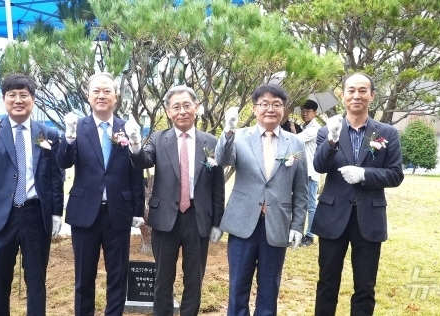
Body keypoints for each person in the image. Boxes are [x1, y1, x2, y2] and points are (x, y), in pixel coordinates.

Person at [126, 85, 225, 316]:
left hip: (197, 219)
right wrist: (135, 144)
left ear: (197, 108)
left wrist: (218, 222)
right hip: (165, 220)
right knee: (163, 279)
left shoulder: (211, 142)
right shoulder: (159, 139)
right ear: (168, 111)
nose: (182, 111)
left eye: (187, 105)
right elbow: (144, 161)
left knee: (194, 279)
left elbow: (217, 187)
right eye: (176, 107)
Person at [0, 73, 64, 316]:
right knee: (0, 281)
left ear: (33, 99)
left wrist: (56, 212)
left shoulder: (48, 134)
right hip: (0, 218)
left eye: (24, 95)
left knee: (36, 281)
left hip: (35, 215)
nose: (18, 100)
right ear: (4, 99)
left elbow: (55, 177)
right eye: (12, 95)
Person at [312, 73, 404, 315]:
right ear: (342, 95)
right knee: (327, 283)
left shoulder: (387, 132)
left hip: (369, 217)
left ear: (372, 96)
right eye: (351, 90)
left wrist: (365, 174)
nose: (356, 96)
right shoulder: (327, 130)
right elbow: (319, 166)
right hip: (333, 216)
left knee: (365, 285)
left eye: (363, 91)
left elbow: (395, 174)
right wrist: (331, 141)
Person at [56, 72, 145, 316]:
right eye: (96, 91)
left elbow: (136, 171)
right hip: (85, 214)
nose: (101, 95)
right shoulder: (78, 127)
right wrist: (69, 137)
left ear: (116, 96)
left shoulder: (127, 128)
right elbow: (63, 162)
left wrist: (138, 209)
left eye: (107, 91)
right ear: (88, 96)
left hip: (118, 212)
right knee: (84, 277)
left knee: (117, 276)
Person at [215, 83, 308, 315]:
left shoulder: (294, 143)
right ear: (255, 109)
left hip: (276, 224)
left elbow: (301, 188)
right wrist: (227, 131)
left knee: (269, 288)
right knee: (238, 286)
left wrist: (297, 225)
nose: (270, 109)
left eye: (276, 104)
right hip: (243, 223)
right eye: (264, 104)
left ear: (284, 109)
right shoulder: (239, 136)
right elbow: (223, 159)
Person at [296, 100, 321, 247]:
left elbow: (296, 139)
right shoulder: (306, 127)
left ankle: (310, 235)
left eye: (308, 111)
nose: (304, 114)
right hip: (304, 171)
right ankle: (301, 233)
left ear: (315, 113)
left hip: (311, 172)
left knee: (311, 205)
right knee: (300, 203)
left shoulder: (314, 128)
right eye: (303, 111)